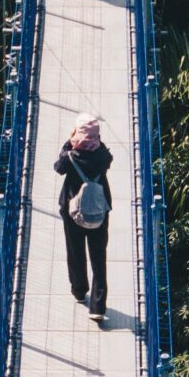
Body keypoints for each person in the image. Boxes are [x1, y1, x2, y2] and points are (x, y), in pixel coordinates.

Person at [55, 113, 115, 320]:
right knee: (99, 256)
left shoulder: (69, 156)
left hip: (73, 211)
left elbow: (58, 168)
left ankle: (80, 291)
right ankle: (98, 307)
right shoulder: (103, 156)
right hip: (99, 210)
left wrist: (69, 144)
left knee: (75, 251)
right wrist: (95, 141)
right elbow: (107, 158)